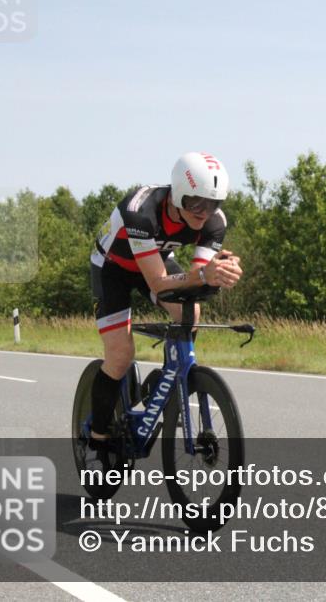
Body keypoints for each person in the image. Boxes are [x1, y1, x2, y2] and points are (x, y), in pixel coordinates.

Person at [87, 152, 243, 441]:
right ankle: (96, 435)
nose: (204, 212)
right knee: (120, 355)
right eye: (196, 202)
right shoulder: (141, 211)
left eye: (213, 203)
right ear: (178, 193)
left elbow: (196, 280)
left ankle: (170, 379)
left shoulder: (214, 222)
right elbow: (159, 284)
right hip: (112, 268)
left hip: (154, 261)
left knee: (191, 312)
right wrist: (203, 274)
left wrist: (220, 274)